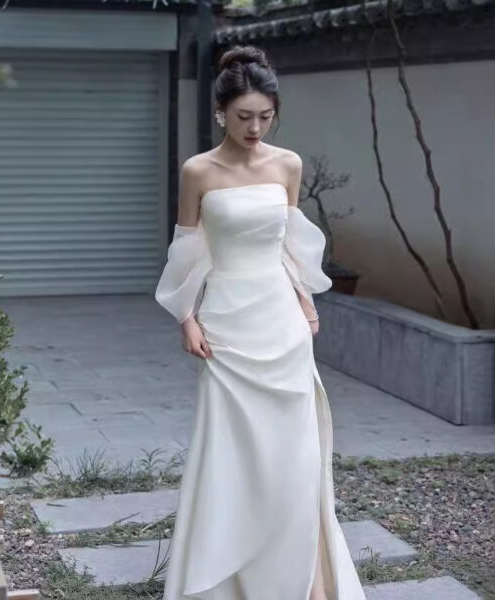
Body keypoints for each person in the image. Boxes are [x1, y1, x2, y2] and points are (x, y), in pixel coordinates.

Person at [155, 44, 366, 600]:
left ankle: (299, 579)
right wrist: (186, 316)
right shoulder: (198, 170)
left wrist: (305, 299)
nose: (254, 127)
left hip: (280, 321)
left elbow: (289, 245)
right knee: (230, 452)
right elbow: (187, 249)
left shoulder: (287, 164)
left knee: (292, 452)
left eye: (265, 117)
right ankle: (225, 580)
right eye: (244, 116)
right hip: (226, 325)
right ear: (221, 111)